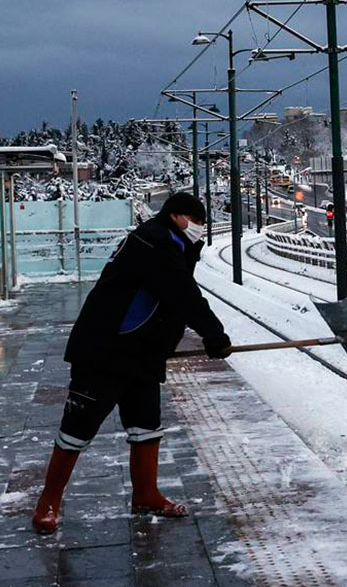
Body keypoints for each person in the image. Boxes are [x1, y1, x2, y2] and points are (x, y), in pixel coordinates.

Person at [32, 193, 233, 535]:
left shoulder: (169, 242)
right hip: (105, 351)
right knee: (77, 428)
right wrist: (215, 336)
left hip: (141, 352)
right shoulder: (154, 242)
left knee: (146, 426)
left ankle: (145, 494)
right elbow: (182, 294)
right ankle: (47, 503)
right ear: (177, 217)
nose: (200, 228)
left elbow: (175, 290)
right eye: (197, 221)